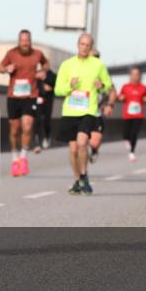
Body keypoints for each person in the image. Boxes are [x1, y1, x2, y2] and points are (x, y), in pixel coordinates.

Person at [54, 33, 113, 196]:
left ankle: (85, 176)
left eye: (88, 45)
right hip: (70, 111)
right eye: (82, 44)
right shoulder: (67, 65)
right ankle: (77, 180)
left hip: (88, 110)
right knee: (73, 150)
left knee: (82, 142)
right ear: (77, 45)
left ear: (91, 47)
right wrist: (69, 86)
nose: (85, 47)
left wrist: (101, 85)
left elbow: (108, 85)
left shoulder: (98, 65)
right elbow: (57, 89)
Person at [0, 30, 49, 176]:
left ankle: (24, 158)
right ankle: (15, 160)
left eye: (27, 40)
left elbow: (46, 64)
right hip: (13, 96)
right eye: (22, 40)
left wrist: (42, 71)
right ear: (19, 41)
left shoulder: (38, 53)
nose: (25, 43)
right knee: (14, 130)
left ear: (30, 41)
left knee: (27, 127)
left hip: (30, 95)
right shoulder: (11, 53)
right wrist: (7, 69)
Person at [88, 49, 115, 165]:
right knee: (80, 142)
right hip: (80, 113)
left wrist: (110, 105)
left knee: (94, 142)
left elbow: (113, 92)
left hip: (96, 113)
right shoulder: (78, 71)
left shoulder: (103, 75)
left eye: (95, 57)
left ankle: (94, 149)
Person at [118, 67, 146, 161]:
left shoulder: (143, 87)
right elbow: (120, 96)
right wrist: (121, 97)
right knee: (126, 133)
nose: (135, 76)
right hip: (127, 114)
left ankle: (132, 152)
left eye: (137, 74)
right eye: (133, 74)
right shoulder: (125, 86)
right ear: (130, 76)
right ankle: (126, 140)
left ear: (139, 76)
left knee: (134, 133)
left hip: (138, 115)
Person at [33, 68, 58, 153]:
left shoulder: (51, 77)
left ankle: (47, 136)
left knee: (46, 120)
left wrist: (51, 88)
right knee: (38, 120)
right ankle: (38, 141)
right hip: (38, 102)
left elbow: (57, 86)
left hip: (48, 102)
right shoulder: (36, 78)